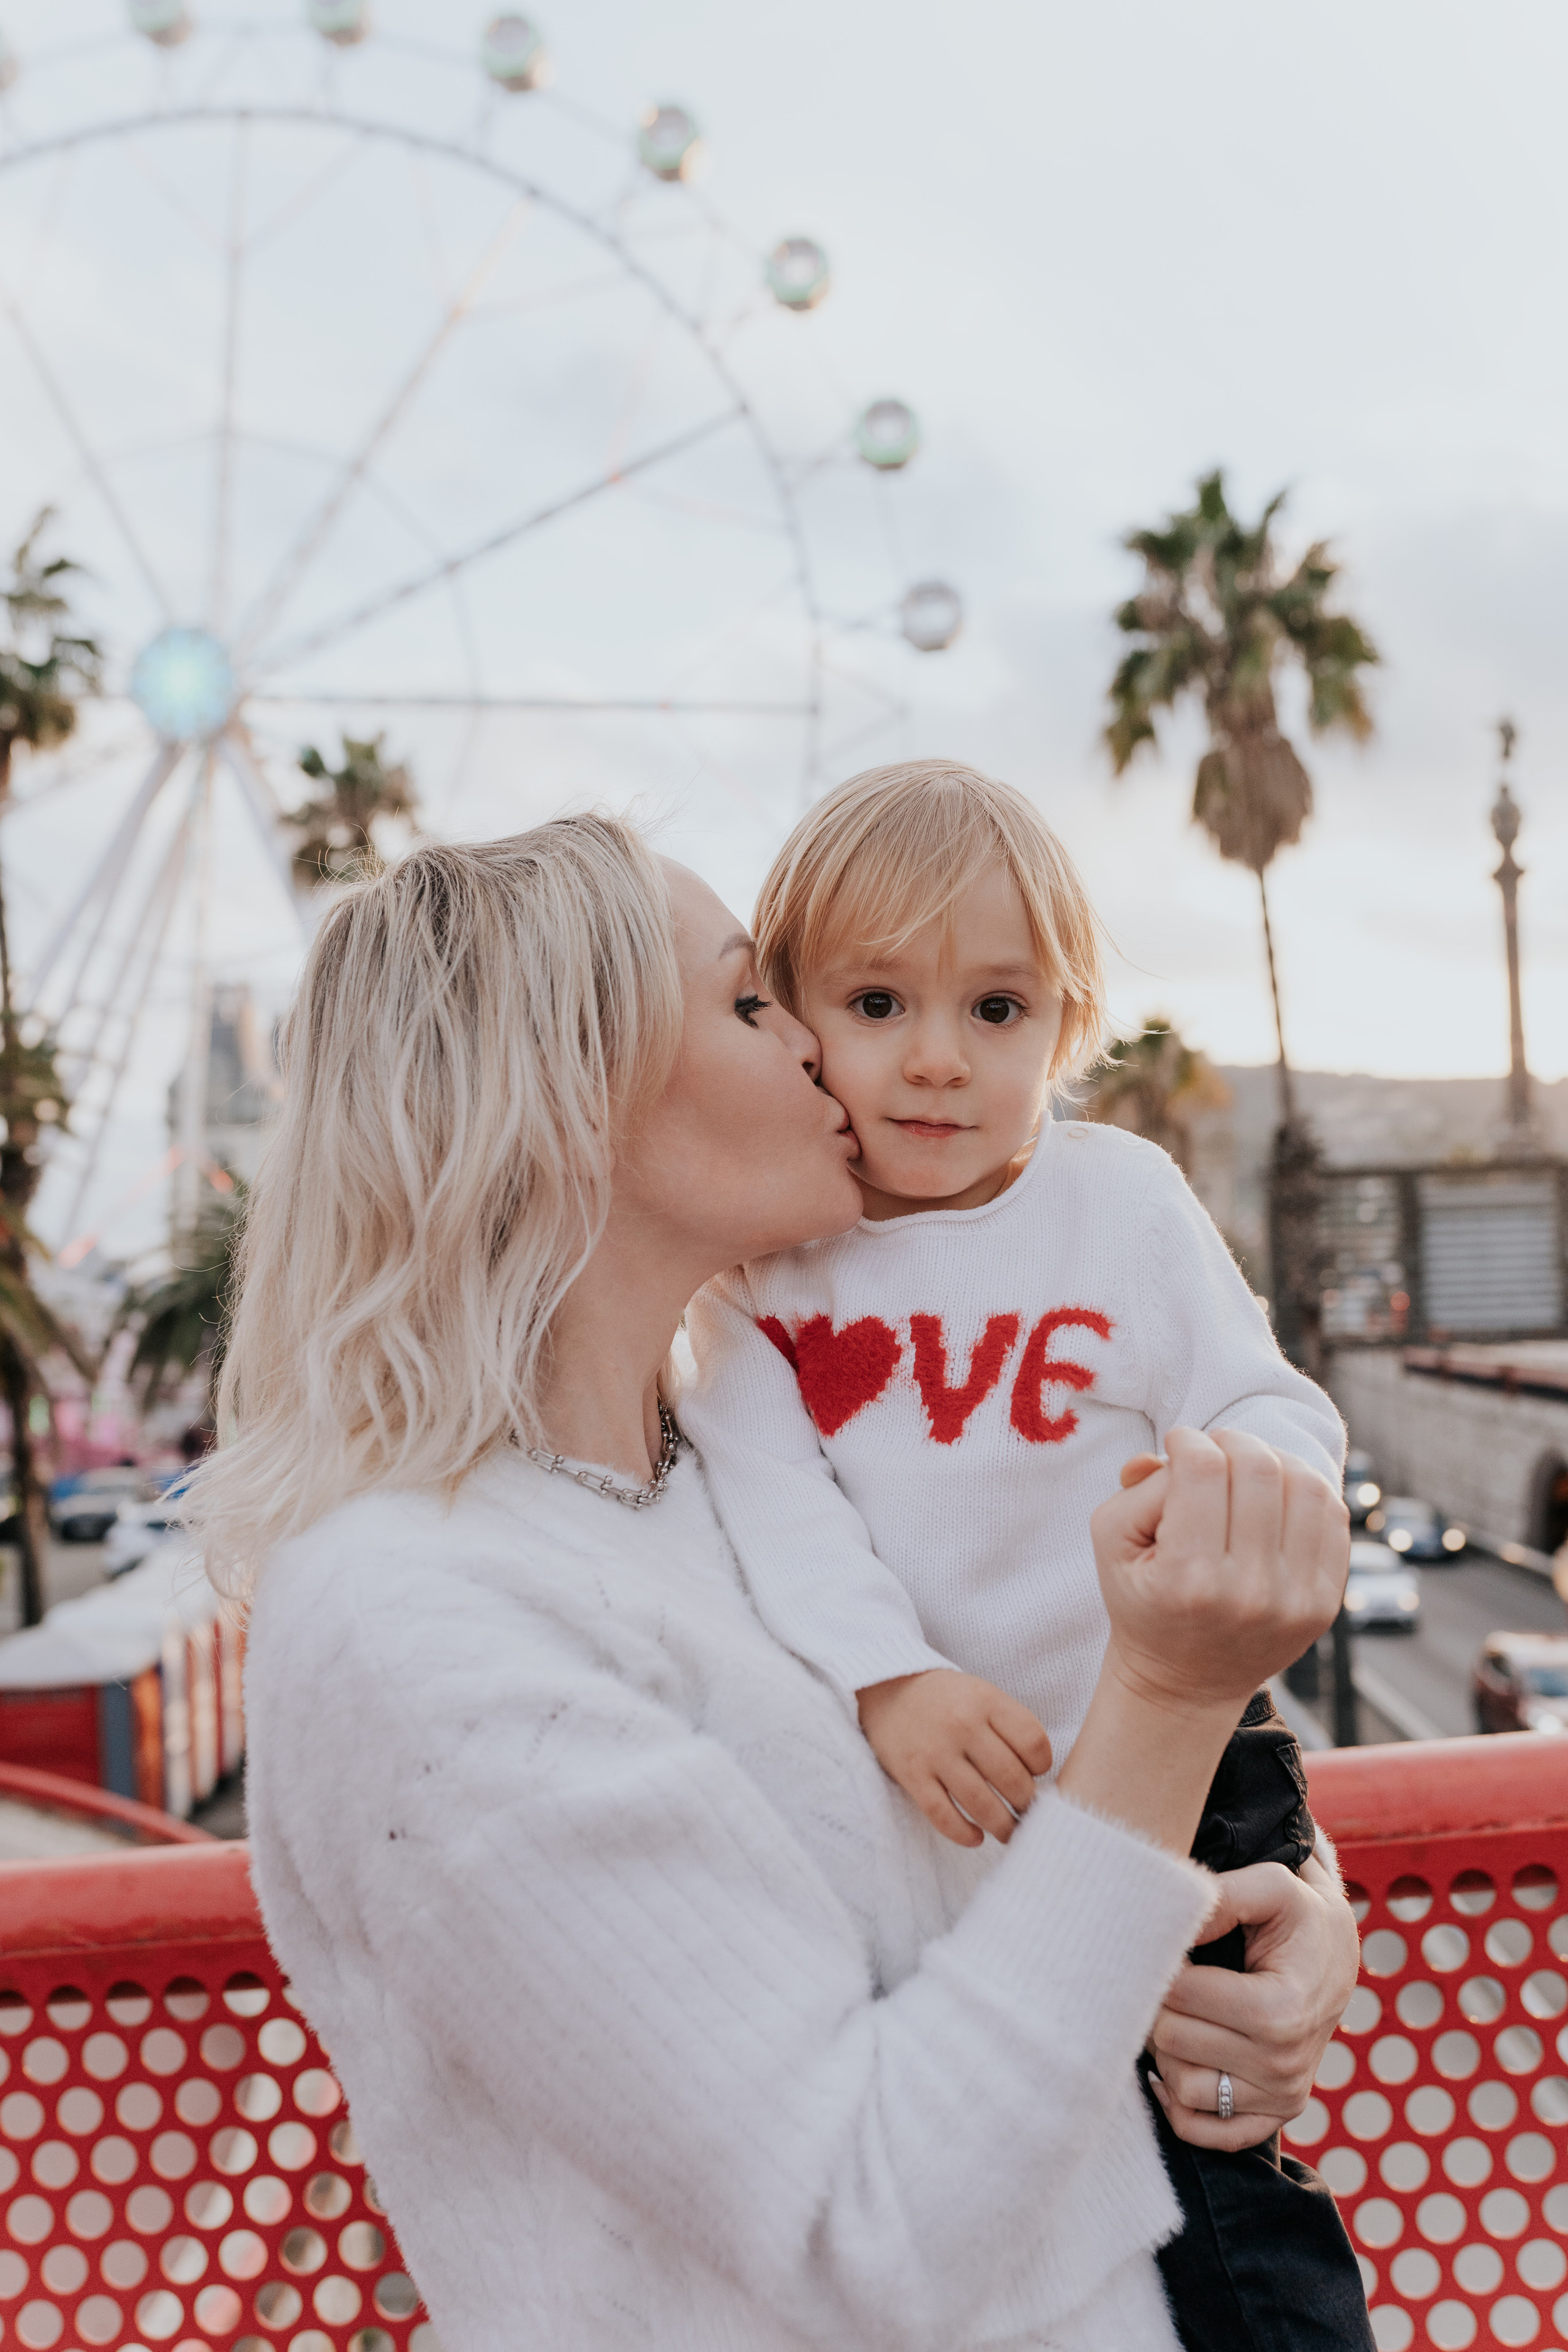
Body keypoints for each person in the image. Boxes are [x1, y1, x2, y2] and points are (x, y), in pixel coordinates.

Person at [187, 817, 1358, 2352]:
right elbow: (862, 2227)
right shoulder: (407, 1625)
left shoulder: (733, 1481)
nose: (822, 1045)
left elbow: (1019, 1838)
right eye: (752, 1002)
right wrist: (1172, 1696)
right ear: (567, 1098)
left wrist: (1279, 1921)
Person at [681, 759, 1371, 2351]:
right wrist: (894, 1679)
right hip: (948, 1795)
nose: (938, 1058)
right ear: (791, 1019)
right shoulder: (773, 1274)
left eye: (997, 1010)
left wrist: (1248, 1490)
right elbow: (778, 1501)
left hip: (1178, 1777)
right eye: (877, 1000)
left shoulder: (1120, 1202)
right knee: (1021, 2185)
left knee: (1223, 2184)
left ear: (1064, 1021)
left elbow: (1265, 1396)